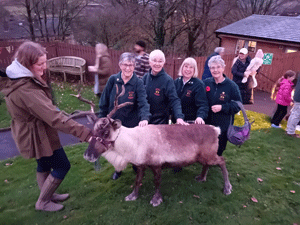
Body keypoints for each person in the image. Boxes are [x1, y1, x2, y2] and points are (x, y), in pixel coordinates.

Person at [0, 41, 92, 212]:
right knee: (62, 165)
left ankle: (48, 194)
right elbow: (54, 117)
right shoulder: (25, 89)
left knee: (43, 164)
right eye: (40, 64)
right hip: (36, 134)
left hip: (34, 130)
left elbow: (46, 110)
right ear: (27, 64)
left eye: (45, 62)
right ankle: (43, 202)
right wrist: (86, 133)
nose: (44, 68)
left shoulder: (19, 77)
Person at [98, 52, 151, 179]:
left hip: (130, 124)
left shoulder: (137, 82)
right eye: (125, 64)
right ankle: (118, 169)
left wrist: (144, 118)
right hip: (114, 123)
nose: (128, 68)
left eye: (131, 65)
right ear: (120, 65)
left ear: (134, 66)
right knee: (115, 148)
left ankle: (135, 166)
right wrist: (101, 118)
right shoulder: (113, 80)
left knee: (131, 148)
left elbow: (143, 103)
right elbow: (104, 100)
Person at [204, 55, 242, 156]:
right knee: (206, 145)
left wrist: (222, 107)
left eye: (218, 67)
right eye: (212, 67)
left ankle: (216, 161)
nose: (215, 70)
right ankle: (206, 161)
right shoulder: (206, 83)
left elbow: (238, 105)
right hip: (207, 123)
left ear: (223, 68)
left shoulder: (231, 86)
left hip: (222, 125)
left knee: (218, 148)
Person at [143, 49, 187, 125]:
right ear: (149, 62)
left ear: (164, 63)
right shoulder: (145, 78)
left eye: (160, 61)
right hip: (144, 121)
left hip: (160, 122)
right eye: (154, 61)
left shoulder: (167, 80)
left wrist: (179, 117)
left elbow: (174, 100)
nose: (157, 64)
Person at [174, 57, 208, 124]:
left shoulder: (199, 85)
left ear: (194, 70)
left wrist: (200, 117)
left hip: (191, 122)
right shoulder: (176, 82)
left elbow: (203, 105)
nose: (188, 69)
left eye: (191, 67)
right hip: (177, 121)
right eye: (186, 66)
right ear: (182, 67)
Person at [286, 72, 300, 138]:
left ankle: (289, 130)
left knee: (294, 114)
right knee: (296, 115)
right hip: (299, 97)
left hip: (297, 96)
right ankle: (290, 131)